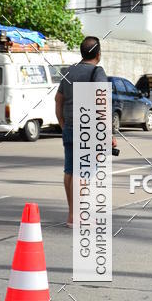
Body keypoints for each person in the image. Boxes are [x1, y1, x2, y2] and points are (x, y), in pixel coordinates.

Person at [55, 36, 115, 227]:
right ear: (98, 54)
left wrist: (63, 124)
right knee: (83, 173)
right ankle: (79, 216)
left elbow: (58, 99)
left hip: (69, 128)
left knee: (70, 172)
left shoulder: (69, 71)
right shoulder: (97, 72)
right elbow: (102, 104)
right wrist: (108, 134)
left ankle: (72, 215)